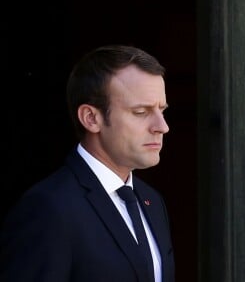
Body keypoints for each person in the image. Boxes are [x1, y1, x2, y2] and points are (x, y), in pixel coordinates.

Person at [0, 45, 175, 282]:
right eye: (141, 112)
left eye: (162, 110)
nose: (161, 126)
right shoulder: (49, 208)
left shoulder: (151, 200)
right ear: (91, 118)